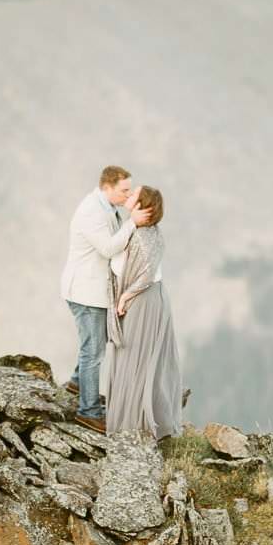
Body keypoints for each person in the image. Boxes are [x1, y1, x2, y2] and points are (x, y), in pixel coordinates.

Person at [60, 165, 151, 433]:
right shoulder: (92, 213)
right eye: (124, 190)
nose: (128, 195)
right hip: (86, 293)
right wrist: (133, 222)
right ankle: (88, 411)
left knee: (94, 343)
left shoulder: (106, 207)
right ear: (107, 187)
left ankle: (78, 383)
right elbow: (108, 247)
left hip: (93, 291)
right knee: (94, 351)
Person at [106, 186, 183, 442]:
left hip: (144, 300)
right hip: (146, 298)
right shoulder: (138, 230)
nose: (128, 197)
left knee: (135, 358)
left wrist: (126, 297)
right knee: (133, 358)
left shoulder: (144, 236)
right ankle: (133, 423)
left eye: (133, 195)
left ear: (142, 205)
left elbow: (147, 274)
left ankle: (136, 425)